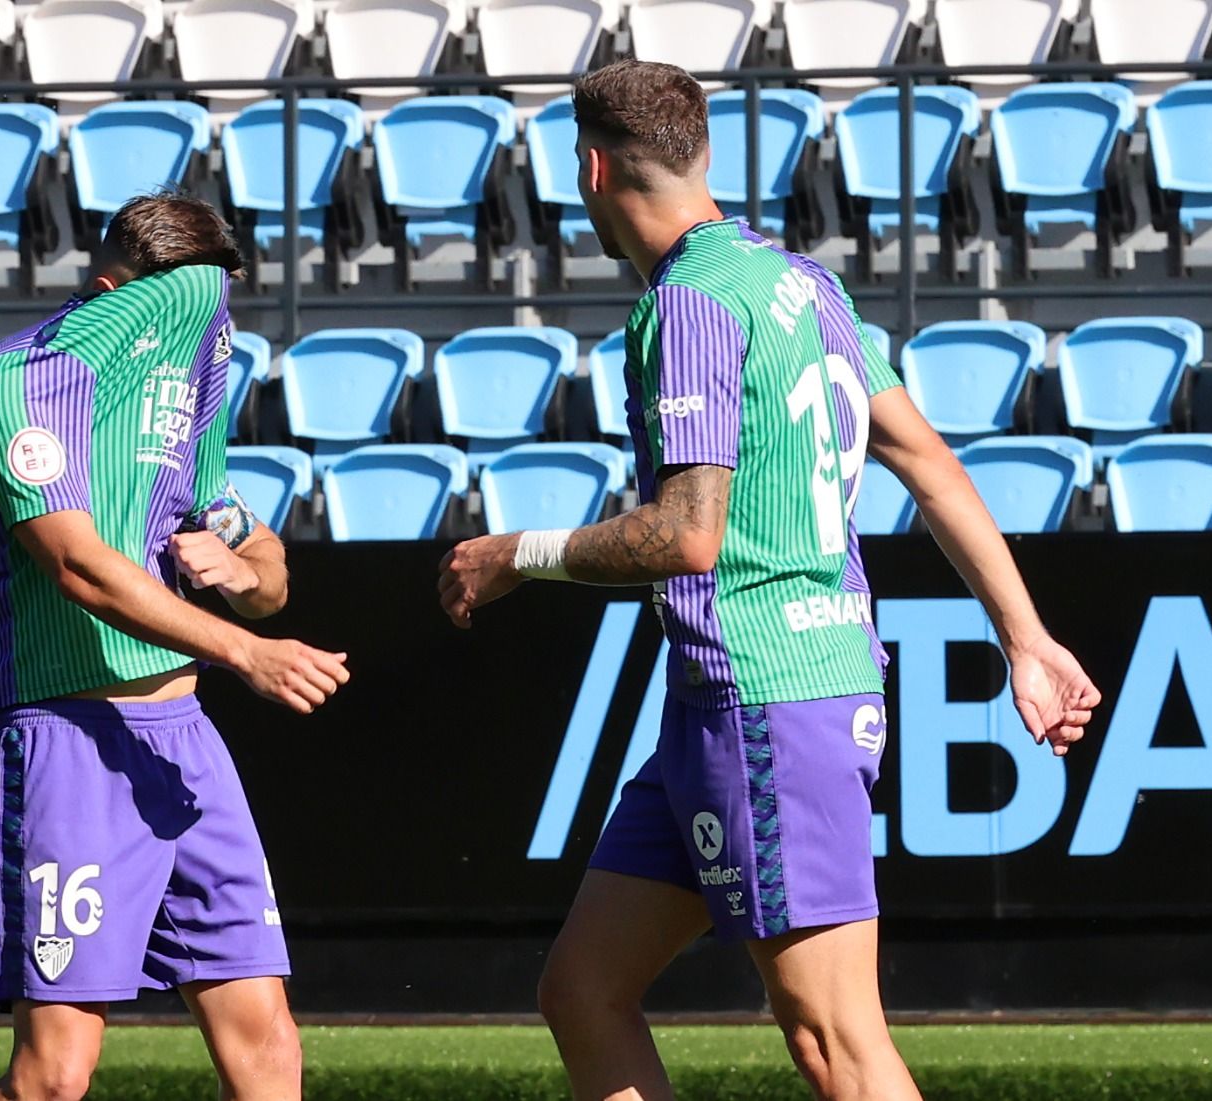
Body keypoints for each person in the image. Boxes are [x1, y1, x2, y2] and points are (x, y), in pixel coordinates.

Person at [438, 60, 1101, 1101]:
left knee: (834, 1039)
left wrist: (515, 554)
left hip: (764, 695)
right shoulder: (801, 283)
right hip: (743, 696)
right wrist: (1025, 636)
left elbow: (686, 537)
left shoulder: (690, 304)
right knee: (583, 987)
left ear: (593, 166)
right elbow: (928, 461)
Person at [0, 189, 349, 1101]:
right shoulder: (14, 384)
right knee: (52, 1077)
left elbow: (260, 550)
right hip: (69, 740)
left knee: (268, 1043)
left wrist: (251, 572)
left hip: (187, 743)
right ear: (108, 291)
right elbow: (79, 568)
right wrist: (247, 653)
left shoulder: (178, 401)